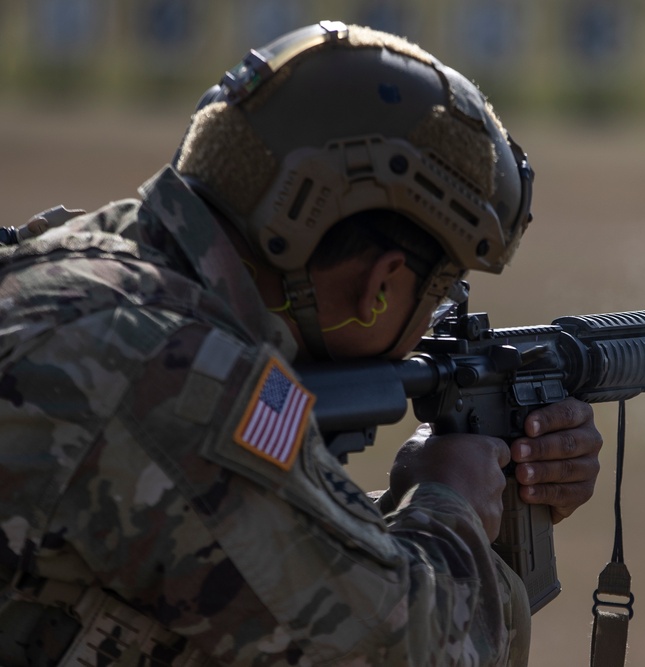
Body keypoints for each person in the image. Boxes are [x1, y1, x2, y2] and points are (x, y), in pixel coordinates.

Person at [0, 21, 603, 667]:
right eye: (441, 287)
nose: (436, 316)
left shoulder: (66, 270)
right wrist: (452, 506)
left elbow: (236, 554)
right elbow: (406, 647)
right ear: (382, 284)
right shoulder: (169, 374)